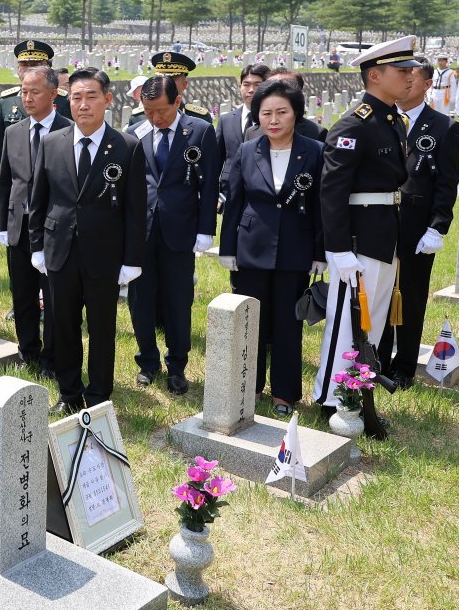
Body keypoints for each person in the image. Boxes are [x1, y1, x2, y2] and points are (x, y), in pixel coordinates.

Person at [312, 36, 417, 423]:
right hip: (357, 242)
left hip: (383, 235)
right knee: (347, 325)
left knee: (368, 324)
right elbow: (332, 191)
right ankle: (332, 399)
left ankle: (357, 396)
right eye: (401, 71)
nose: (410, 77)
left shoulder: (390, 119)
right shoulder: (355, 124)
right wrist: (338, 250)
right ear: (375, 75)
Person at [29, 68, 146, 413]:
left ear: (107, 100)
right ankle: (68, 392)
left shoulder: (127, 146)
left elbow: (136, 209)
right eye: (76, 97)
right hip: (60, 250)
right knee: (62, 324)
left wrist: (132, 260)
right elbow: (38, 200)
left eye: (91, 96)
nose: (83, 104)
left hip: (105, 254)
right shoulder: (52, 142)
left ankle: (97, 395)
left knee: (101, 328)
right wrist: (37, 247)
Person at [219, 78, 326, 417]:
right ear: (257, 117)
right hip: (252, 249)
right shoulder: (248, 149)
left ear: (296, 114)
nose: (274, 120)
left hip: (295, 251)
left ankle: (284, 394)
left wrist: (319, 252)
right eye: (266, 113)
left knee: (286, 325)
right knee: (250, 321)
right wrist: (227, 248)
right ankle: (248, 386)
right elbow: (234, 201)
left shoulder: (314, 151)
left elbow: (323, 205)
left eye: (282, 112)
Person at [127, 75, 219, 395]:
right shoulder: (134, 132)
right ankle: (147, 361)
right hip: (142, 232)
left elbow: (208, 186)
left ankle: (177, 365)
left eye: (161, 111)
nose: (155, 118)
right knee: (140, 300)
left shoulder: (200, 131)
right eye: (148, 110)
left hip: (180, 230)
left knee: (179, 300)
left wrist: (206, 229)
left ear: (177, 101)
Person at [378, 57, 459, 389]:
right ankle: (378, 360)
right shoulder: (382, 119)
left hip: (417, 225)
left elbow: (447, 181)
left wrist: (437, 226)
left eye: (411, 78)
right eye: (401, 76)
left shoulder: (442, 126)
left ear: (427, 84)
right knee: (380, 292)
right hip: (381, 221)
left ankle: (404, 367)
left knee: (411, 297)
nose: (405, 83)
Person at [0, 66, 71, 378]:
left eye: (34, 92)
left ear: (53, 94)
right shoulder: (14, 131)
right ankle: (28, 351)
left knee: (52, 297)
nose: (27, 98)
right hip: (20, 226)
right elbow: (5, 182)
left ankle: (52, 358)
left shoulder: (68, 130)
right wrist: (2, 224)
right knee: (22, 293)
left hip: (53, 230)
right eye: (24, 91)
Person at [0, 40, 72, 188]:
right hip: (18, 182)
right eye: (24, 65)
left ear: (48, 68)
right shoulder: (6, 101)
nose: (29, 69)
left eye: (35, 65)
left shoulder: (64, 101)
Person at [244, 68, 327, 143]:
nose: (279, 92)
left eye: (287, 87)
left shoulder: (316, 133)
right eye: (273, 87)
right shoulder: (252, 133)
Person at [217, 64, 272, 168]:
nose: (251, 90)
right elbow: (216, 159)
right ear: (240, 87)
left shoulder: (273, 121)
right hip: (230, 182)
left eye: (257, 85)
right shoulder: (226, 121)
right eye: (246, 84)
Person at [148, 51, 213, 124]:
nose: (165, 83)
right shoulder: (140, 118)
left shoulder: (200, 119)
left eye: (172, 79)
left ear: (184, 85)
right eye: (161, 78)